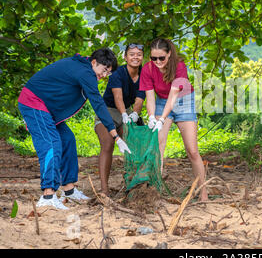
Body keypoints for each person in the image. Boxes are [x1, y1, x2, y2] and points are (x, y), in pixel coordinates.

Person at [18, 49, 131, 210]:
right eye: (104, 69)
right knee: (51, 143)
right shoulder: (85, 72)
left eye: (109, 72)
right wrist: (116, 136)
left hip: (47, 109)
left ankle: (69, 190)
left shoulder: (85, 68)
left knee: (68, 140)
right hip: (33, 102)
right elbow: (98, 104)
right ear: (94, 62)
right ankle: (48, 195)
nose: (105, 75)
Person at [139, 38, 208, 201]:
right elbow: (150, 97)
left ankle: (203, 193)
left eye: (161, 58)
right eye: (154, 58)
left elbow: (174, 96)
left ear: (169, 54)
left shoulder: (179, 66)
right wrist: (151, 117)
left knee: (192, 150)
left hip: (184, 101)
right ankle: (155, 192)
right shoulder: (148, 69)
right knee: (158, 146)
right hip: (162, 102)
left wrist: (162, 119)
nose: (157, 62)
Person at [94, 43, 146, 196]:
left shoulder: (144, 75)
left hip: (128, 111)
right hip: (108, 111)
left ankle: (133, 184)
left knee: (132, 143)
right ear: (125, 57)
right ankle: (104, 189)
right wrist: (124, 114)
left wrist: (133, 115)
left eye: (139, 54)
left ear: (143, 57)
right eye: (132, 54)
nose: (135, 57)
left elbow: (139, 100)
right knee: (108, 144)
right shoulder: (118, 73)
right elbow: (118, 97)